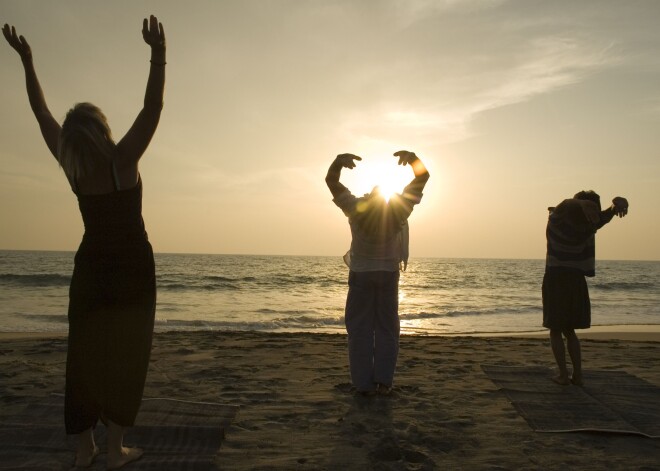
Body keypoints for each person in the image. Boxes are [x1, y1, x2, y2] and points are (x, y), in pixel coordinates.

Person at [3, 15, 165, 469]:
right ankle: (114, 450)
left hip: (91, 268)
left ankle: (83, 448)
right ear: (101, 129)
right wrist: (158, 54)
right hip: (133, 268)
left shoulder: (71, 166)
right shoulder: (122, 161)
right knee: (127, 354)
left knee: (86, 356)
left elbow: (40, 112)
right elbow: (152, 109)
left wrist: (28, 61)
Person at [326, 150, 430, 396]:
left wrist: (338, 161)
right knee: (387, 329)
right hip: (387, 275)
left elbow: (331, 181)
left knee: (359, 330)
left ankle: (362, 385)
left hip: (361, 275)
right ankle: (383, 383)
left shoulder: (354, 208)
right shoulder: (397, 213)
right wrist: (413, 159)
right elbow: (423, 178)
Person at [543, 190, 628, 386]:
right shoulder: (589, 225)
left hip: (557, 277)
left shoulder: (557, 220)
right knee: (569, 330)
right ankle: (577, 375)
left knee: (555, 329)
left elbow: (566, 205)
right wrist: (615, 206)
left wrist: (583, 204)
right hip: (575, 279)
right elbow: (604, 214)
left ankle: (564, 375)